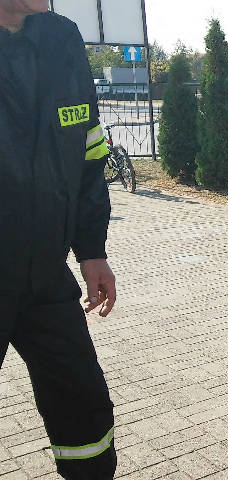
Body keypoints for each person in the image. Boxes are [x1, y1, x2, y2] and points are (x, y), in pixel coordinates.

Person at [0, 2, 118, 478]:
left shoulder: (61, 38)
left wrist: (91, 250)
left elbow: (90, 148)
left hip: (46, 274)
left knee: (82, 402)